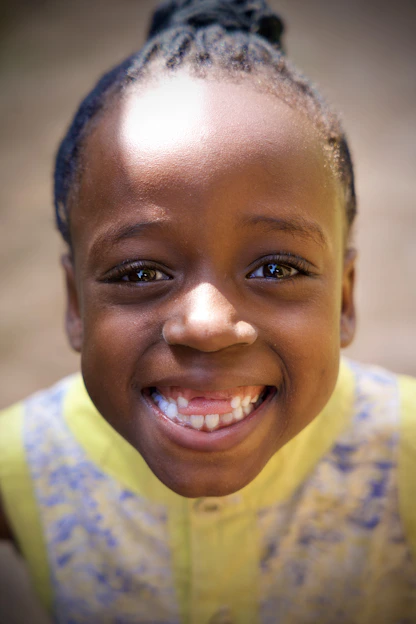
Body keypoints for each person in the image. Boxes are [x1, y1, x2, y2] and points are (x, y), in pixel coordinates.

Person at [0, 0, 415, 622]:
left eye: (276, 269)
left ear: (346, 298)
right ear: (75, 305)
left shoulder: (405, 452)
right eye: (140, 272)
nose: (206, 324)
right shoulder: (19, 467)